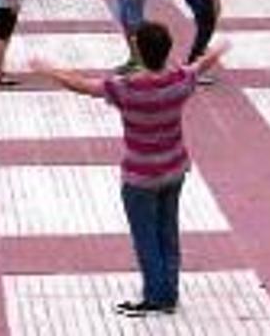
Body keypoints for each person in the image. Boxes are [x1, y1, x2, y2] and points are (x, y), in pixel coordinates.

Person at [30, 22, 229, 318]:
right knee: (168, 231)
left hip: (140, 176)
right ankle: (168, 291)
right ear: (167, 49)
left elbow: (83, 86)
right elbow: (200, 66)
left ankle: (156, 296)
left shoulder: (126, 88)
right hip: (174, 168)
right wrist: (217, 49)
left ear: (138, 50)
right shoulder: (180, 80)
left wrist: (49, 70)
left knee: (145, 236)